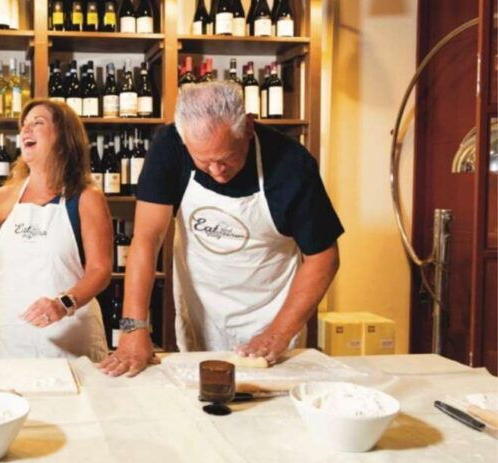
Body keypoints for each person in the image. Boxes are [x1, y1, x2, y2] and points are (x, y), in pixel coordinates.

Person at [100, 82, 343, 377]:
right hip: (202, 309)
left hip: (271, 313)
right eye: (203, 162)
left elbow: (323, 257)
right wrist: (133, 327)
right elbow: (147, 239)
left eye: (226, 159)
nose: (217, 172)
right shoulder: (169, 146)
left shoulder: (291, 164)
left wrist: (278, 333)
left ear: (249, 127)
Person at [0, 99, 113, 361]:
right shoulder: (3, 197)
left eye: (38, 123)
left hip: (69, 340)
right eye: (24, 125)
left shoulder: (86, 196)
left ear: (64, 137)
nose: (26, 130)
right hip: (9, 338)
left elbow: (101, 270)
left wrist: (64, 303)